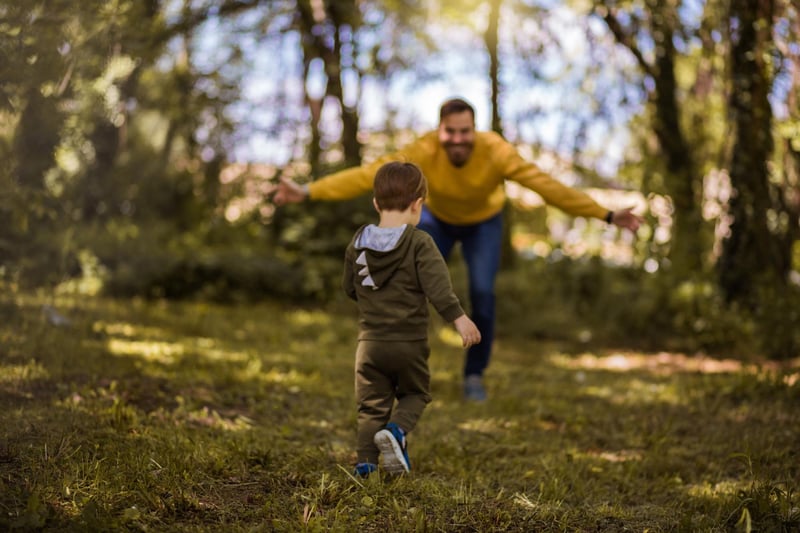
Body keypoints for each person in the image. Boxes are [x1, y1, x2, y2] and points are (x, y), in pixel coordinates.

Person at [272, 97, 643, 402]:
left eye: (466, 131)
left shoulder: (496, 151)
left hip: (485, 222)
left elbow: (547, 187)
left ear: (475, 130)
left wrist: (606, 214)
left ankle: (474, 375)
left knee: (482, 292)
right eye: (451, 132)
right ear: (440, 130)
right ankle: (398, 363)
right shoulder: (423, 149)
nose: (458, 139)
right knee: (410, 278)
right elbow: (367, 175)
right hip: (437, 218)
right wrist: (307, 192)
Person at [342, 161, 480, 477]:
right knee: (416, 394)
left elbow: (350, 288)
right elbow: (438, 288)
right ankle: (396, 431)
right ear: (418, 204)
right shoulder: (419, 242)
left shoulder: (357, 241)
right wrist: (459, 319)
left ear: (376, 203)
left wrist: (373, 303)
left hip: (370, 345)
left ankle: (365, 466)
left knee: (370, 406)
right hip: (409, 343)